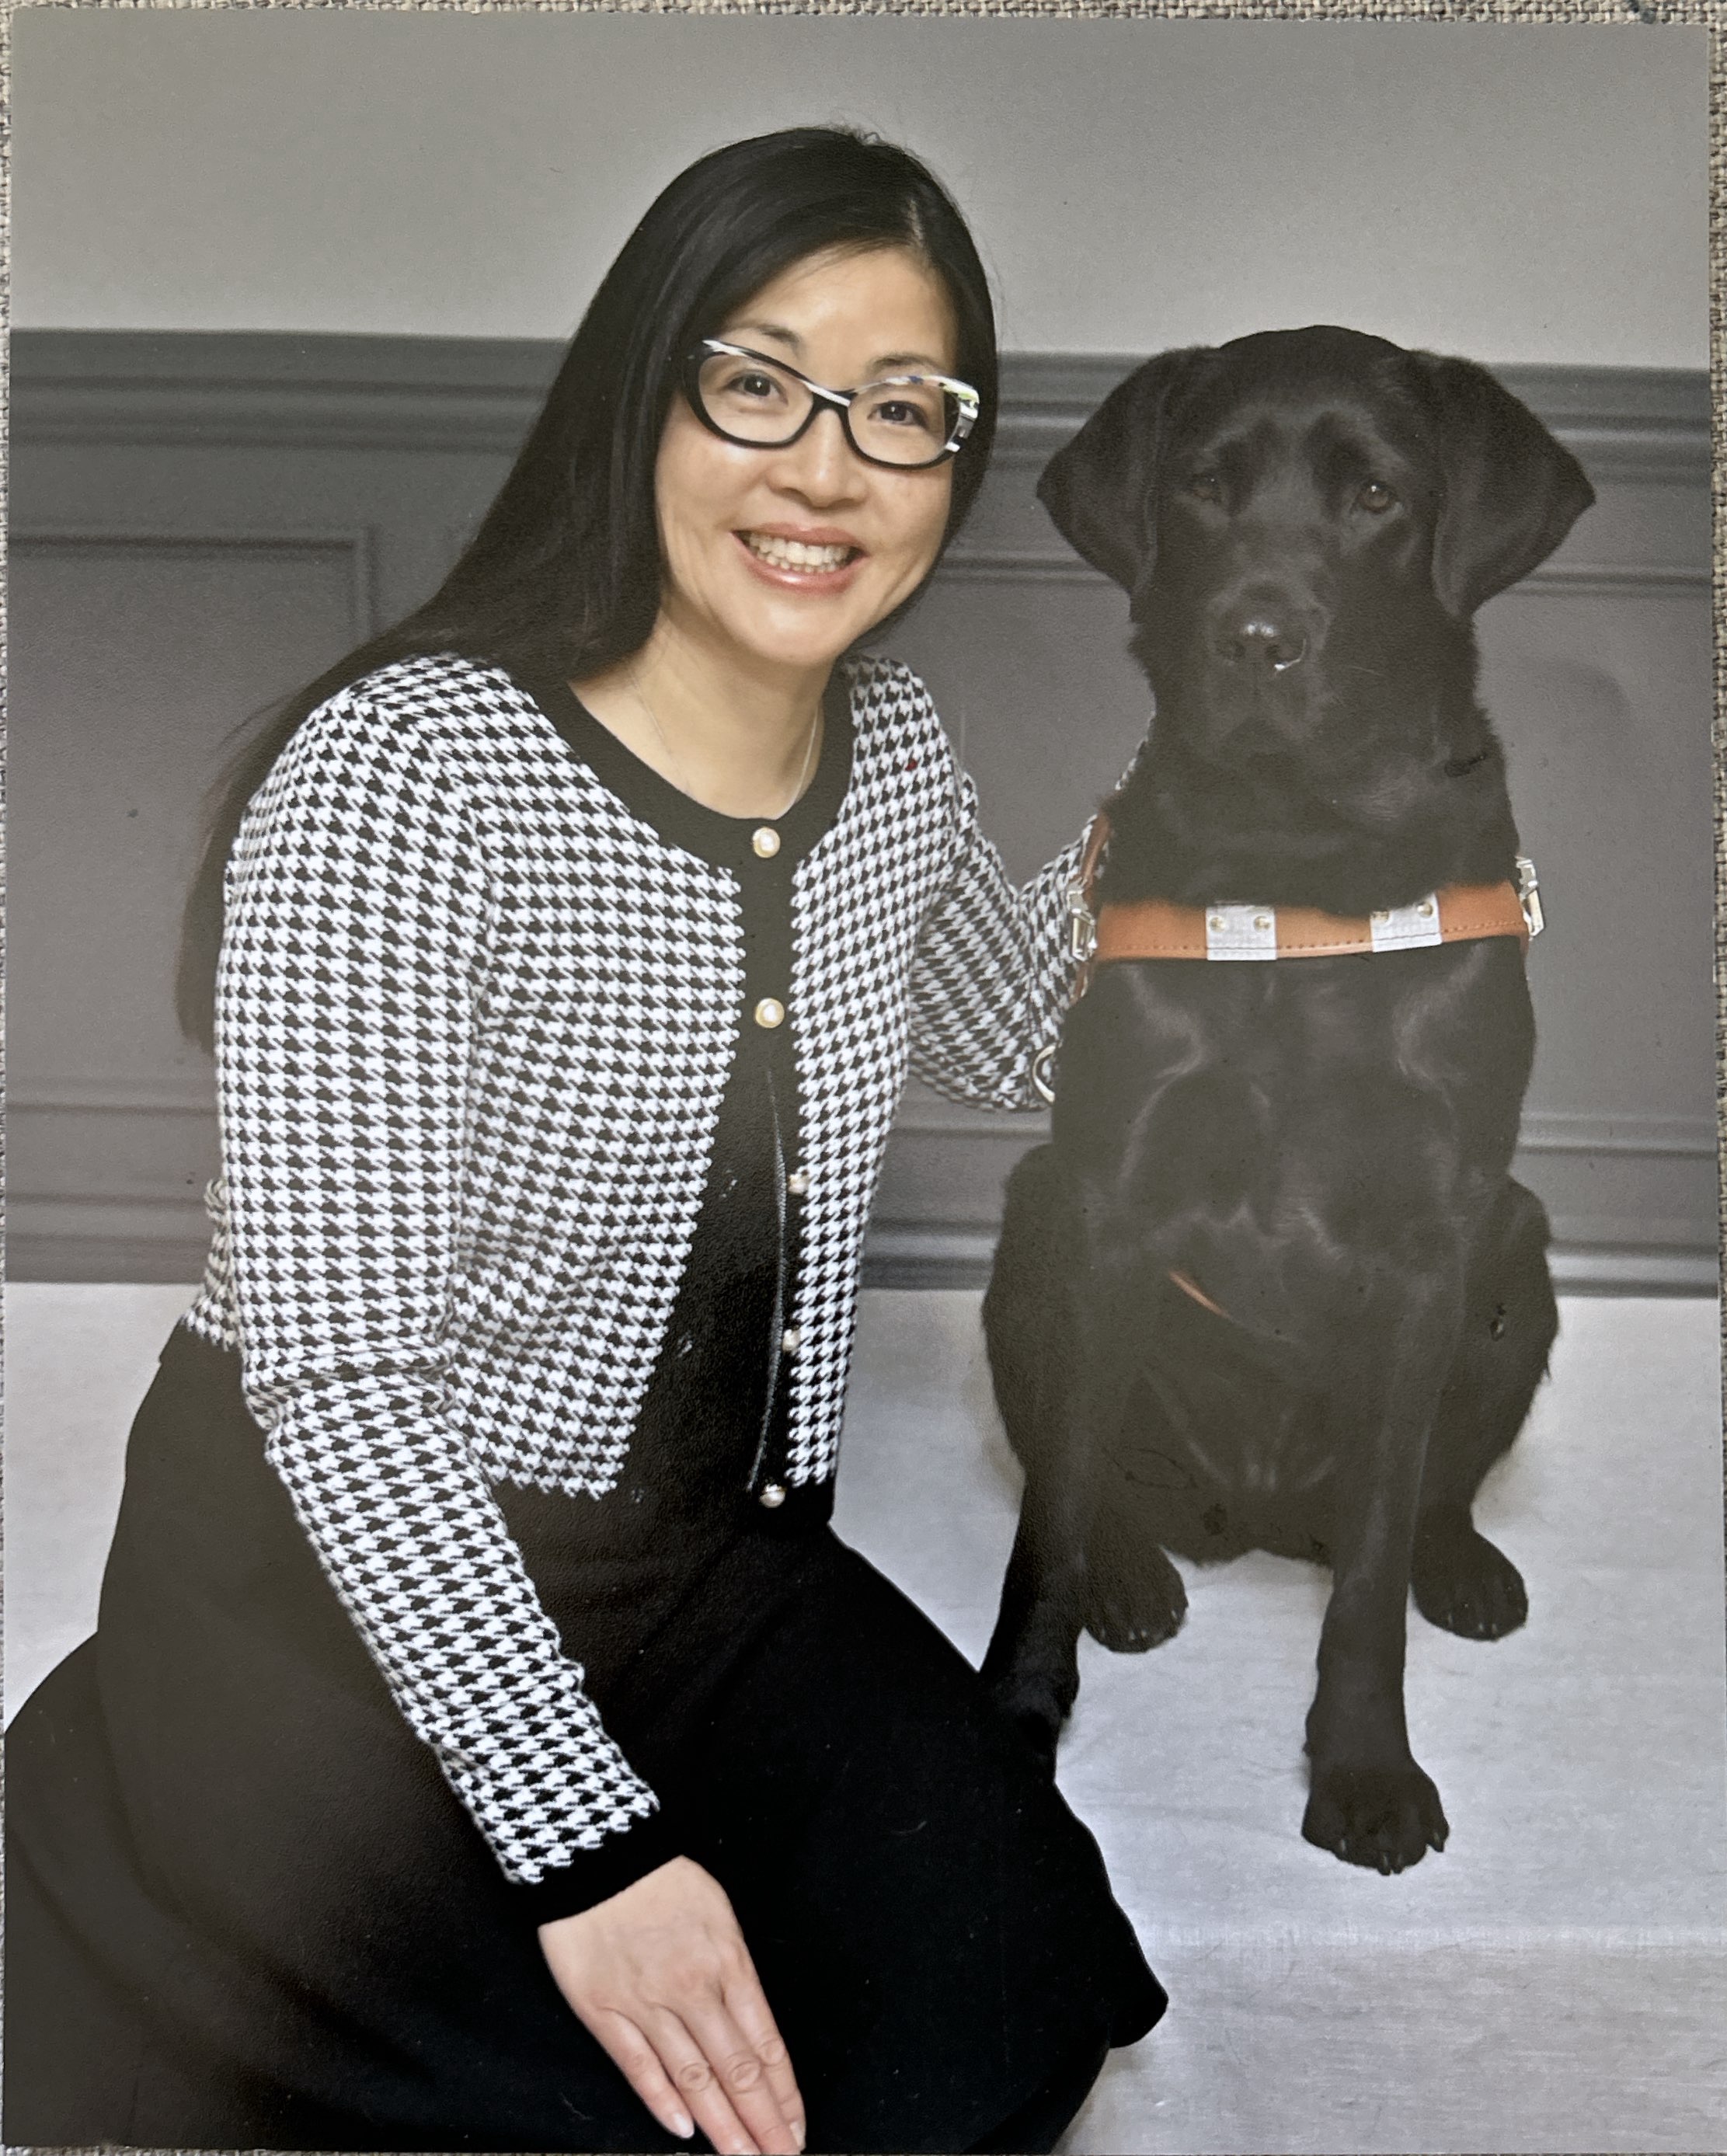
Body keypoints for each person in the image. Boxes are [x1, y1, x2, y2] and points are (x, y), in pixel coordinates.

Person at [4, 125, 1165, 2154]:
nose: (827, 467)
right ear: (645, 396)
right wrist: (589, 1861)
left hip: (711, 1563)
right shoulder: (402, 779)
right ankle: (112, 1833)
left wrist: (1249, 833)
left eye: (904, 412)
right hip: (327, 1578)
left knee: (1005, 1992)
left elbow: (1004, 1022)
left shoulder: (892, 742)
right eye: (759, 382)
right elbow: (342, 1388)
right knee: (612, 2113)